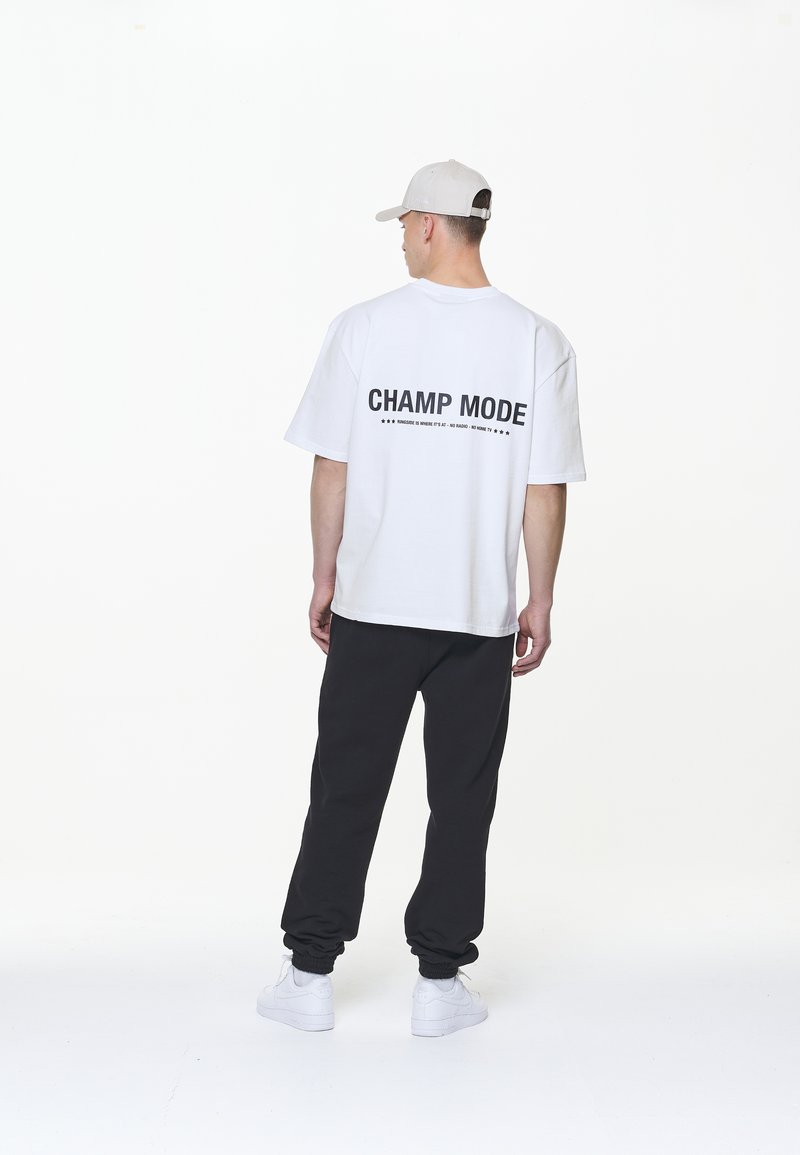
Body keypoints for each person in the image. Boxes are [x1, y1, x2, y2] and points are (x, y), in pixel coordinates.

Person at [256, 158, 587, 1036]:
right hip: (477, 611)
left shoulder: (364, 328)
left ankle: (309, 974)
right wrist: (540, 596)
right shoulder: (537, 340)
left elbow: (333, 466)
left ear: (431, 225)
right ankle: (440, 983)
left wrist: (324, 574)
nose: (402, 237)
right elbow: (545, 487)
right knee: (463, 798)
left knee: (346, 787)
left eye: (405, 223)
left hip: (374, 604)